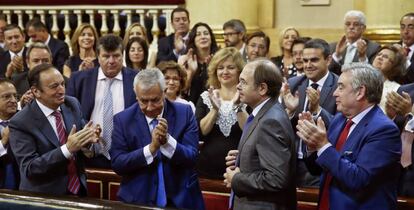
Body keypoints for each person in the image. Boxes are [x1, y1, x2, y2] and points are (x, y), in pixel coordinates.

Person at [297, 62, 401, 210]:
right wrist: (313, 146)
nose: (335, 93)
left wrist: (323, 145)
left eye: (341, 87)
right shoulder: (339, 119)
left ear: (360, 92)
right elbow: (317, 169)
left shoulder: (384, 130)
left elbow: (358, 179)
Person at [110, 69, 205, 210]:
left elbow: (192, 157)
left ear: (164, 92)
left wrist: (167, 142)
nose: (149, 107)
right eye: (143, 101)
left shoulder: (184, 113)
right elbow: (118, 163)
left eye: (155, 100)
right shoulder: (123, 120)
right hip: (138, 200)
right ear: (136, 96)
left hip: (181, 199)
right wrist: (151, 149)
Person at [9, 63, 99, 196]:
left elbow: (84, 146)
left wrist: (87, 143)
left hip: (78, 192)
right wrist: (67, 149)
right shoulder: (21, 122)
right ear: (36, 91)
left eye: (62, 84)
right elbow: (30, 168)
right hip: (44, 198)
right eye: (54, 86)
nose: (61, 90)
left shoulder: (72, 104)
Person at [224, 59, 297, 210]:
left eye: (243, 82)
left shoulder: (271, 121)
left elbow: (276, 178)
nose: (238, 86)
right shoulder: (266, 113)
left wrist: (236, 179)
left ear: (262, 88)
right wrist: (242, 158)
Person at [67, 34, 137, 169]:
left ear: (122, 56)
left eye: (116, 56)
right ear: (98, 57)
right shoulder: (79, 79)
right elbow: (69, 115)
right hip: (88, 153)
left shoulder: (136, 79)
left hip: (127, 154)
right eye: (106, 56)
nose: (111, 61)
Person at [282, 38, 338, 188]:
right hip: (291, 164)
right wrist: (290, 111)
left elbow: (340, 126)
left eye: (314, 60)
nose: (307, 65)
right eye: (305, 60)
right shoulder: (293, 83)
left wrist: (317, 110)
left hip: (319, 165)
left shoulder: (338, 87)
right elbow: (278, 126)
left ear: (328, 60)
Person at [195, 47, 247, 179]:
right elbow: (201, 132)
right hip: (207, 169)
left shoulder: (249, 97)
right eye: (220, 67)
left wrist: (238, 107)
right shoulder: (206, 97)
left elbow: (251, 130)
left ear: (240, 71)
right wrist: (214, 110)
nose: (225, 72)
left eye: (230, 67)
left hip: (240, 169)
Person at [178, 22, 219, 105]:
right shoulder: (185, 60)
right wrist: (191, 72)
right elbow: (181, 91)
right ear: (193, 40)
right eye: (198, 34)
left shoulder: (219, 59)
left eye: (206, 33)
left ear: (211, 38)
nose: (203, 37)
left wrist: (211, 70)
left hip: (214, 103)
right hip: (190, 104)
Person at [329, 10, 380, 75]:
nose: (351, 27)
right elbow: (326, 72)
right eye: (348, 24)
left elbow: (373, 75)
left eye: (356, 24)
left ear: (363, 28)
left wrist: (362, 57)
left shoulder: (373, 48)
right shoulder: (332, 47)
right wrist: (337, 55)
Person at [372, 45, 405, 114]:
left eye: (385, 57)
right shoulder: (361, 80)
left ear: (394, 65)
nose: (380, 57)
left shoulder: (396, 89)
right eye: (379, 54)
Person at [0, 79, 19, 190]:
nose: (13, 100)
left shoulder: (27, 121)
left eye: (15, 96)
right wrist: (3, 141)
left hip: (24, 190)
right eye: (7, 97)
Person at [399, 13, 414, 84]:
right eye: (402, 27)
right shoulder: (392, 48)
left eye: (410, 27)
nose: (405, 31)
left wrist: (405, 59)